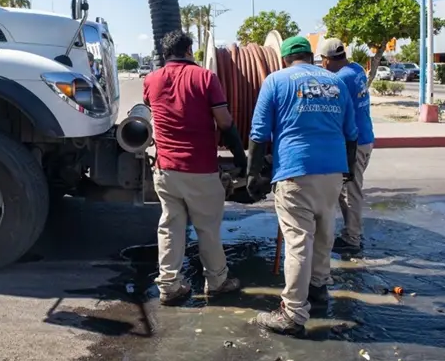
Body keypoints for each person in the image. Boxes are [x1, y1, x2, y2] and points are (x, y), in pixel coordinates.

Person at [246, 36, 358, 336]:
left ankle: (293, 313)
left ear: (285, 59)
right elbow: (351, 133)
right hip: (334, 169)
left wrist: (253, 174)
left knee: (298, 241)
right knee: (324, 232)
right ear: (311, 56)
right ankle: (319, 288)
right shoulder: (337, 84)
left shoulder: (276, 80)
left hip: (296, 171)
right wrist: (346, 171)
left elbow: (259, 133)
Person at [143, 30, 247, 305]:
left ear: (166, 54)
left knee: (170, 227)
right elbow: (224, 121)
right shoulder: (205, 77)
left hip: (165, 170)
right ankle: (217, 280)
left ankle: (169, 286)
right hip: (200, 169)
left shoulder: (151, 79)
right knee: (207, 228)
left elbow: (152, 108)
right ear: (189, 50)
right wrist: (241, 157)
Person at [318, 38, 375, 255]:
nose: (322, 65)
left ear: (328, 60)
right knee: (346, 189)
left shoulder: (340, 80)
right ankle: (350, 233)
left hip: (354, 143)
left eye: (323, 61)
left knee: (351, 190)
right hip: (365, 137)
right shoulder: (356, 69)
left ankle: (353, 238)